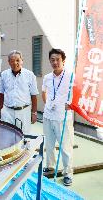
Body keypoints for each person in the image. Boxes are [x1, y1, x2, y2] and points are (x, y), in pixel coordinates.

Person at [42, 48, 74, 186]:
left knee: (65, 147)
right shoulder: (47, 77)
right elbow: (44, 91)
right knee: (49, 145)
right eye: (52, 60)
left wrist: (71, 105)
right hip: (48, 115)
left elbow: (77, 94)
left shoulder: (71, 76)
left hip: (63, 116)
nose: (55, 62)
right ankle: (50, 166)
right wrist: (48, 103)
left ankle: (68, 173)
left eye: (58, 60)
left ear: (63, 61)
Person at [0, 50, 38, 135]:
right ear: (9, 62)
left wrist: (34, 112)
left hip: (24, 111)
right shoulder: (4, 74)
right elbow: (1, 94)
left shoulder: (30, 75)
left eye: (17, 60)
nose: (15, 63)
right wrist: (1, 110)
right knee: (7, 135)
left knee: (24, 136)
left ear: (22, 61)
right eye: (12, 61)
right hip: (8, 111)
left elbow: (34, 95)